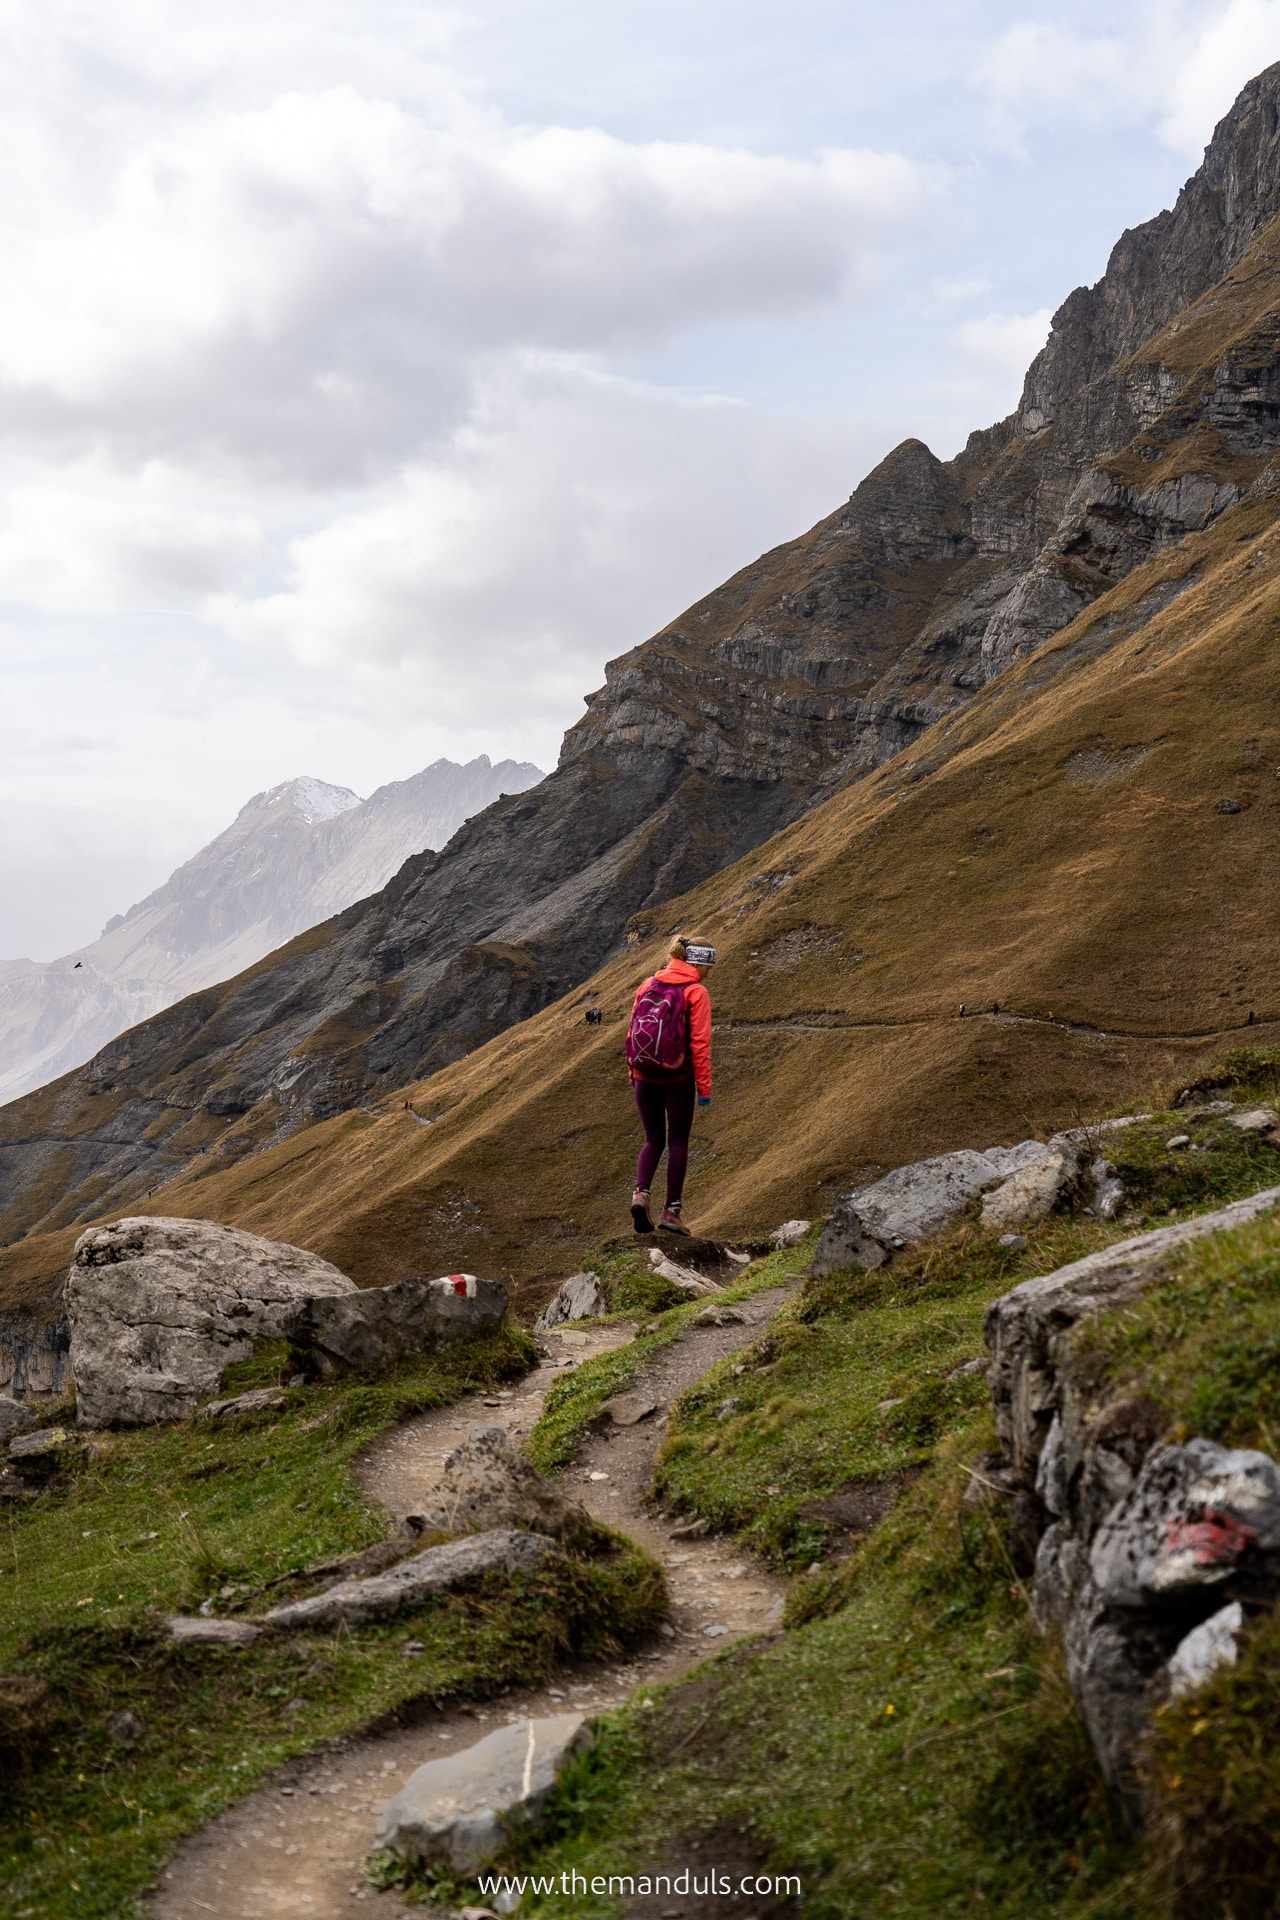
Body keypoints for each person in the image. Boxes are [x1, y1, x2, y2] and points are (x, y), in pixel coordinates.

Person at [627, 935, 715, 1235]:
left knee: (653, 1140)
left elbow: (633, 1029)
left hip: (643, 1076)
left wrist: (632, 1073)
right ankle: (671, 1212)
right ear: (696, 962)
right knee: (678, 1141)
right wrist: (703, 1089)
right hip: (677, 1079)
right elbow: (700, 1044)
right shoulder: (696, 992)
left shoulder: (647, 984)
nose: (709, 972)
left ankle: (640, 1194)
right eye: (707, 965)